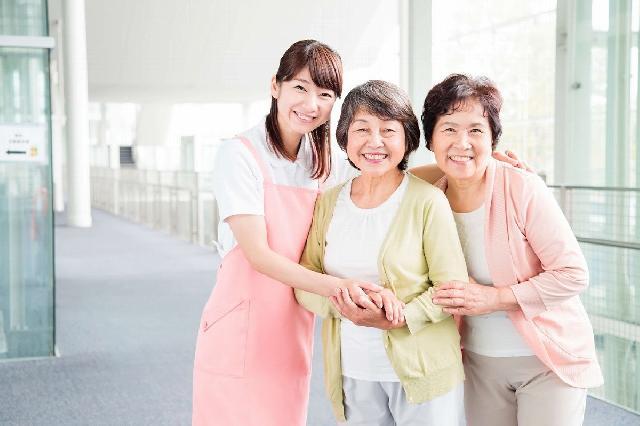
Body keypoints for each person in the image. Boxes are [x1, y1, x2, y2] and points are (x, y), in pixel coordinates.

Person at [191, 40, 384, 426]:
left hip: (292, 323)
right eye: (300, 87)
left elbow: (387, 177)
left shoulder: (320, 162)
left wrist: (465, 167)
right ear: (275, 86)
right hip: (241, 323)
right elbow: (258, 255)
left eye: (325, 94)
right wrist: (338, 287)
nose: (311, 104)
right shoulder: (239, 154)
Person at [412, 74, 603, 426]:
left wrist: (496, 298)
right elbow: (395, 175)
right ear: (431, 138)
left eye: (476, 131)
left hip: (547, 360)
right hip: (479, 363)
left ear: (493, 138)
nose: (462, 142)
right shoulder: (429, 200)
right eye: (448, 129)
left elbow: (573, 275)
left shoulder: (522, 187)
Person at [295, 80, 468, 425]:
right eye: (362, 129)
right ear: (345, 137)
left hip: (423, 370)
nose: (375, 142)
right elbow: (304, 281)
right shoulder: (329, 203)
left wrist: (400, 315)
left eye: (388, 130)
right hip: (354, 370)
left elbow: (453, 289)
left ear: (407, 140)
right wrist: (345, 302)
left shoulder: (427, 201)